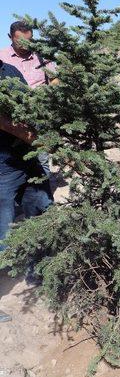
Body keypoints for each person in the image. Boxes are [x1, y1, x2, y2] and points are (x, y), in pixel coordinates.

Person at [0, 60, 54, 322]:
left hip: (27, 158)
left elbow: (28, 108)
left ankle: (39, 269)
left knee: (41, 207)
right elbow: (7, 122)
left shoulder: (9, 70)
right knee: (2, 229)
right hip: (2, 166)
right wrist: (37, 139)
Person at [0, 21, 58, 178]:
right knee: (12, 157)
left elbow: (54, 80)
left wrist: (50, 96)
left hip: (40, 115)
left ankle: (43, 189)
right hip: (12, 118)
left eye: (29, 40)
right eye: (20, 41)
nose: (25, 45)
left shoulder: (41, 55)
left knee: (42, 156)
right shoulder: (2, 57)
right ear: (10, 37)